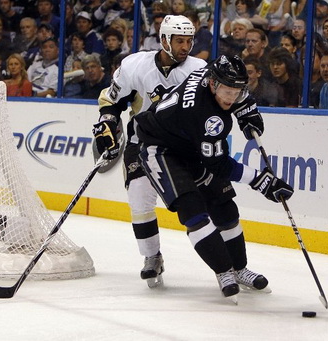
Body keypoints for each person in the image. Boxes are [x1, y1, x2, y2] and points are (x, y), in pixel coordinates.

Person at [131, 55, 293, 299]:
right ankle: (223, 270)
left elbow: (237, 90)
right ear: (213, 85)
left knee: (224, 206)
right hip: (162, 149)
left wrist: (246, 110)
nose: (231, 98)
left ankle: (239, 268)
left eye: (236, 92)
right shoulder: (207, 116)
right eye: (227, 92)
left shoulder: (215, 72)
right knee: (192, 210)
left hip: (190, 142)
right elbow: (219, 165)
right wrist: (262, 181)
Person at [92, 15, 207, 287]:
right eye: (179, 40)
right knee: (139, 199)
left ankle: (229, 264)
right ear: (164, 39)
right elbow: (112, 99)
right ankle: (152, 257)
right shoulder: (135, 65)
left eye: (189, 40)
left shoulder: (198, 69)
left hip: (182, 147)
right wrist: (108, 122)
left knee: (203, 203)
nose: (186, 46)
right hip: (141, 142)